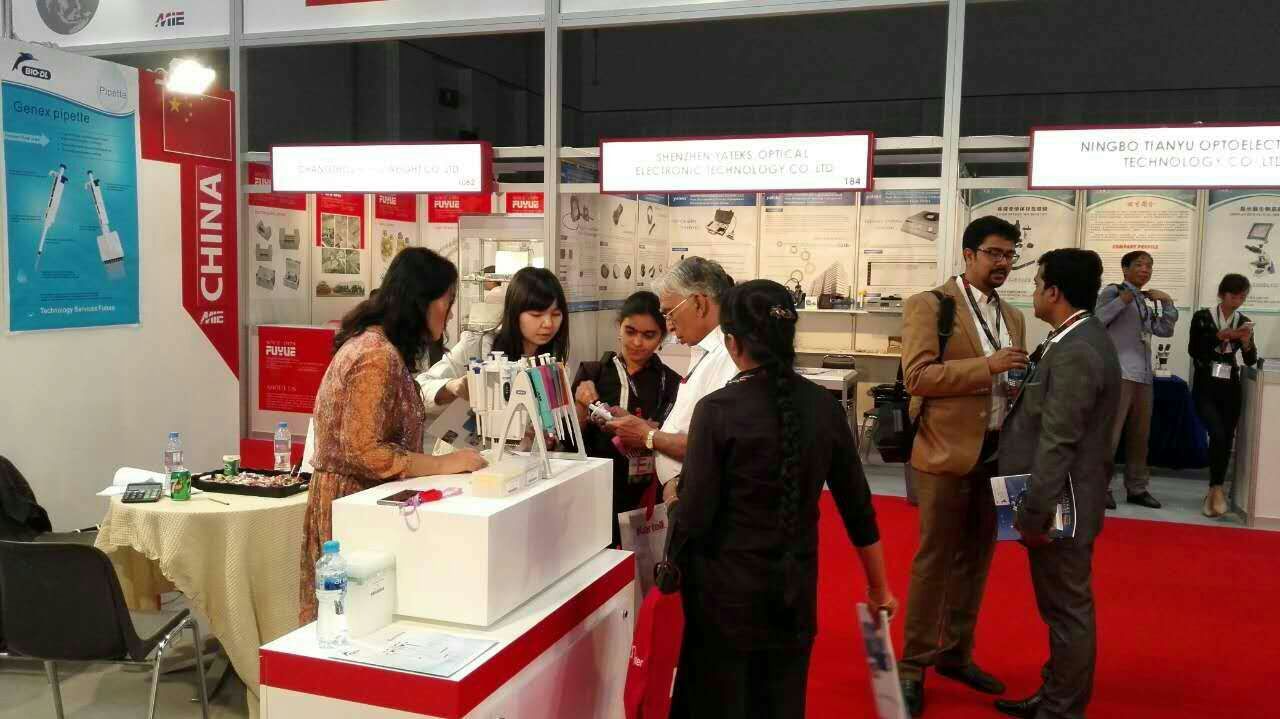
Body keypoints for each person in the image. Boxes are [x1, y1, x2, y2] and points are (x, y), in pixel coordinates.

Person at [667, 279, 896, 719]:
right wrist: (879, 588)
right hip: (794, 594)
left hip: (721, 596)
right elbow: (858, 508)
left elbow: (694, 517)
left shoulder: (716, 410)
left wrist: (672, 492)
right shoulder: (824, 407)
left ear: (732, 343)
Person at [299, 248, 486, 624]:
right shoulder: (376, 356)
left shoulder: (378, 347)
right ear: (421, 301)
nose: (450, 314)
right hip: (354, 507)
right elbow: (365, 450)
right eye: (447, 302)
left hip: (360, 502)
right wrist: (442, 464)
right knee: (355, 622)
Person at [898, 215, 1028, 716]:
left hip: (997, 453)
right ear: (969, 254)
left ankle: (955, 654)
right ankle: (912, 666)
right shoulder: (930, 305)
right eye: (994, 253)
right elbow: (918, 377)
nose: (1003, 263)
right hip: (944, 452)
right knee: (934, 561)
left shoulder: (1012, 316)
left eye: (1010, 255)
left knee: (976, 560)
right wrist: (986, 367)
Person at [994, 248, 1121, 719]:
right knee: (1058, 607)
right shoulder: (1068, 339)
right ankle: (1056, 694)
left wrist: (1033, 512)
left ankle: (1063, 708)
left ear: (1053, 291)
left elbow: (1059, 439)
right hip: (1058, 496)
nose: (1031, 292)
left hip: (1059, 502)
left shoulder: (1078, 349)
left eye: (1036, 284)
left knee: (1067, 608)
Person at [606, 257, 737, 505]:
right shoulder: (705, 352)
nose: (670, 326)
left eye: (670, 313)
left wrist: (648, 435)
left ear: (699, 304)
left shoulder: (728, 356)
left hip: (702, 499)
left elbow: (714, 446)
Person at [571, 291, 681, 546]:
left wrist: (644, 430)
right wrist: (581, 404)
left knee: (646, 560)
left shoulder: (672, 382)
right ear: (619, 327)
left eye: (649, 335)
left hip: (650, 493)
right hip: (600, 491)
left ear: (662, 337)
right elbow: (572, 437)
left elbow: (676, 436)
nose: (637, 342)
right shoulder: (593, 373)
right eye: (630, 331)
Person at [418, 267, 569, 414]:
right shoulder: (476, 346)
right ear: (515, 313)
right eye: (536, 315)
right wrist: (451, 387)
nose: (548, 324)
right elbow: (420, 388)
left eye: (556, 314)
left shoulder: (554, 358)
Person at [1094, 250, 1178, 509]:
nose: (1145, 270)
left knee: (1140, 437)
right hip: (1118, 373)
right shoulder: (1113, 292)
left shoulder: (1145, 301)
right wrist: (1123, 300)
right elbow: (1097, 321)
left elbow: (1164, 330)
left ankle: (1137, 488)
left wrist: (1167, 302)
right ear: (1125, 268)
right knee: (1110, 435)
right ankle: (1100, 488)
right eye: (1140, 265)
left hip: (1143, 375)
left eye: (1149, 266)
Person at [1189, 273, 1259, 518]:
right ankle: (1215, 488)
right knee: (1217, 432)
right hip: (1205, 384)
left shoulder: (1244, 321)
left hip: (1230, 385)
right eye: (1233, 296)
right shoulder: (1203, 317)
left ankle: (1216, 488)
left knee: (1226, 437)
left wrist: (1246, 342)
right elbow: (1194, 350)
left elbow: (1250, 359)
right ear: (1222, 294)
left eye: (1242, 297)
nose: (1237, 301)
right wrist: (1220, 336)